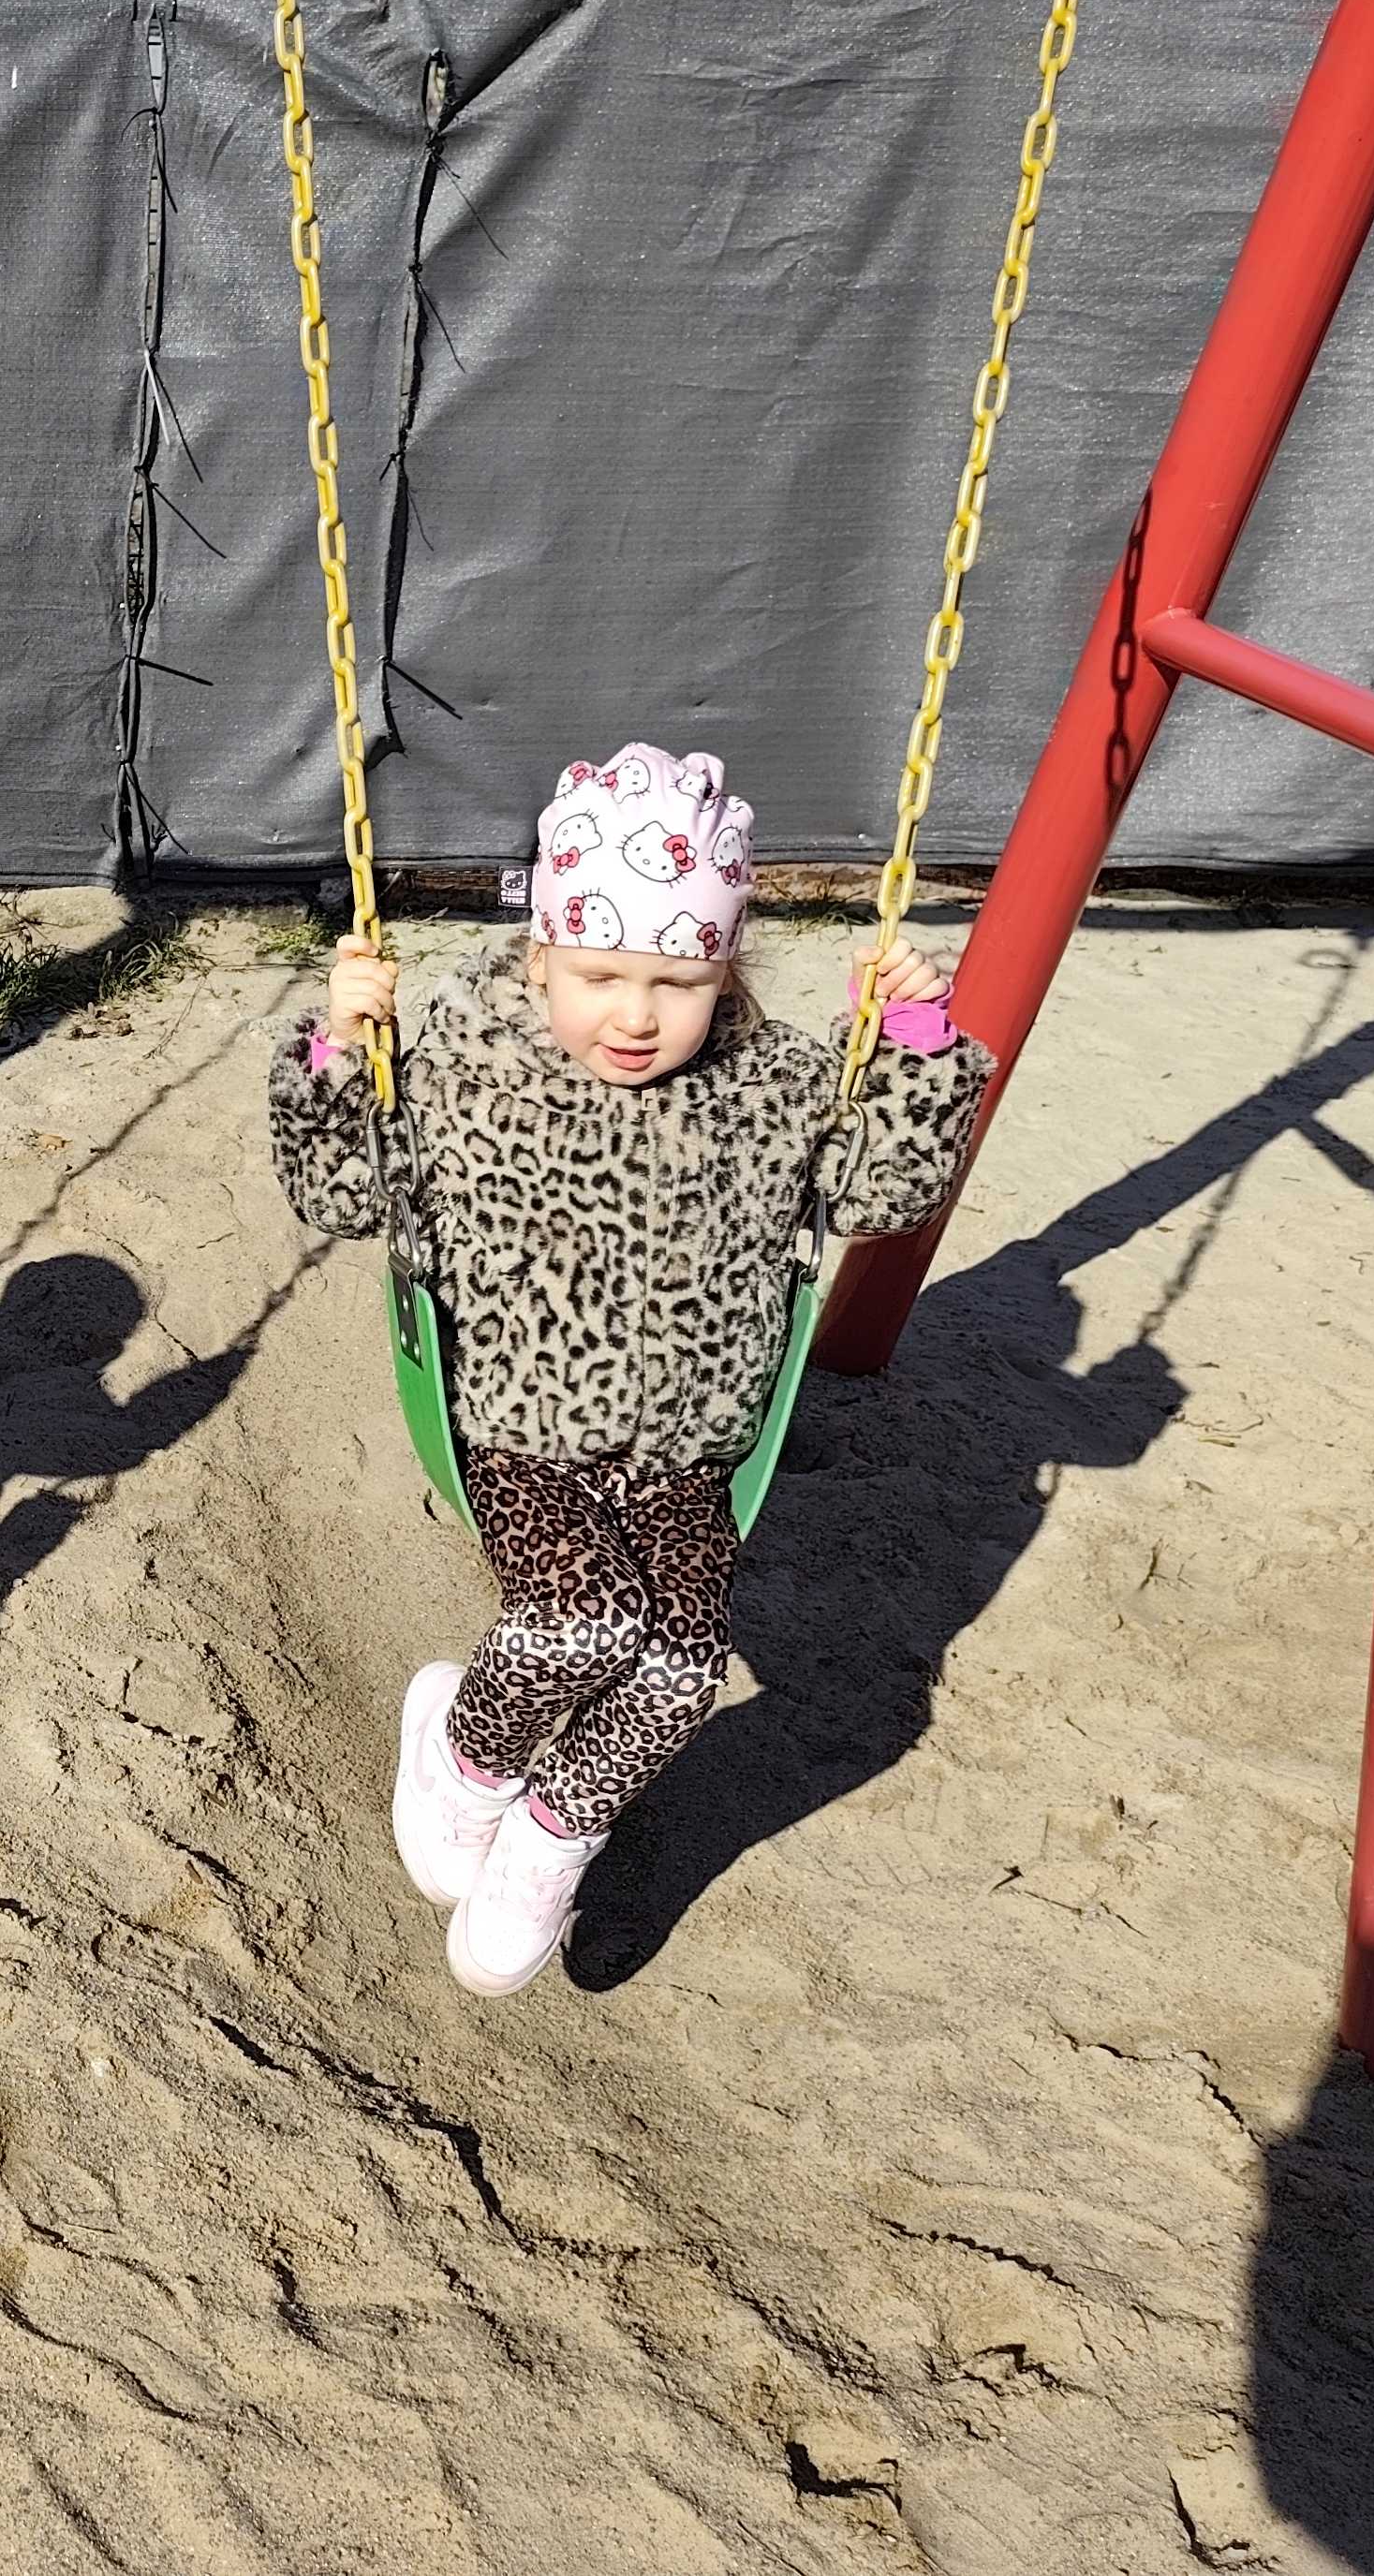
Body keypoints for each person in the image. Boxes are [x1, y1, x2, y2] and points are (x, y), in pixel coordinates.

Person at [269, 745, 993, 1995]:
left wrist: (916, 1038)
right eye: (599, 977)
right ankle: (466, 1762)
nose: (637, 1016)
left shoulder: (774, 1087)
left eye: (680, 982)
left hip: (692, 1452)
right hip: (520, 1427)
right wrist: (340, 1045)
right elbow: (339, 1193)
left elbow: (886, 1193)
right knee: (579, 1620)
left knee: (678, 1673)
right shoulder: (468, 1072)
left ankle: (550, 1842)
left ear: (728, 969)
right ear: (541, 956)